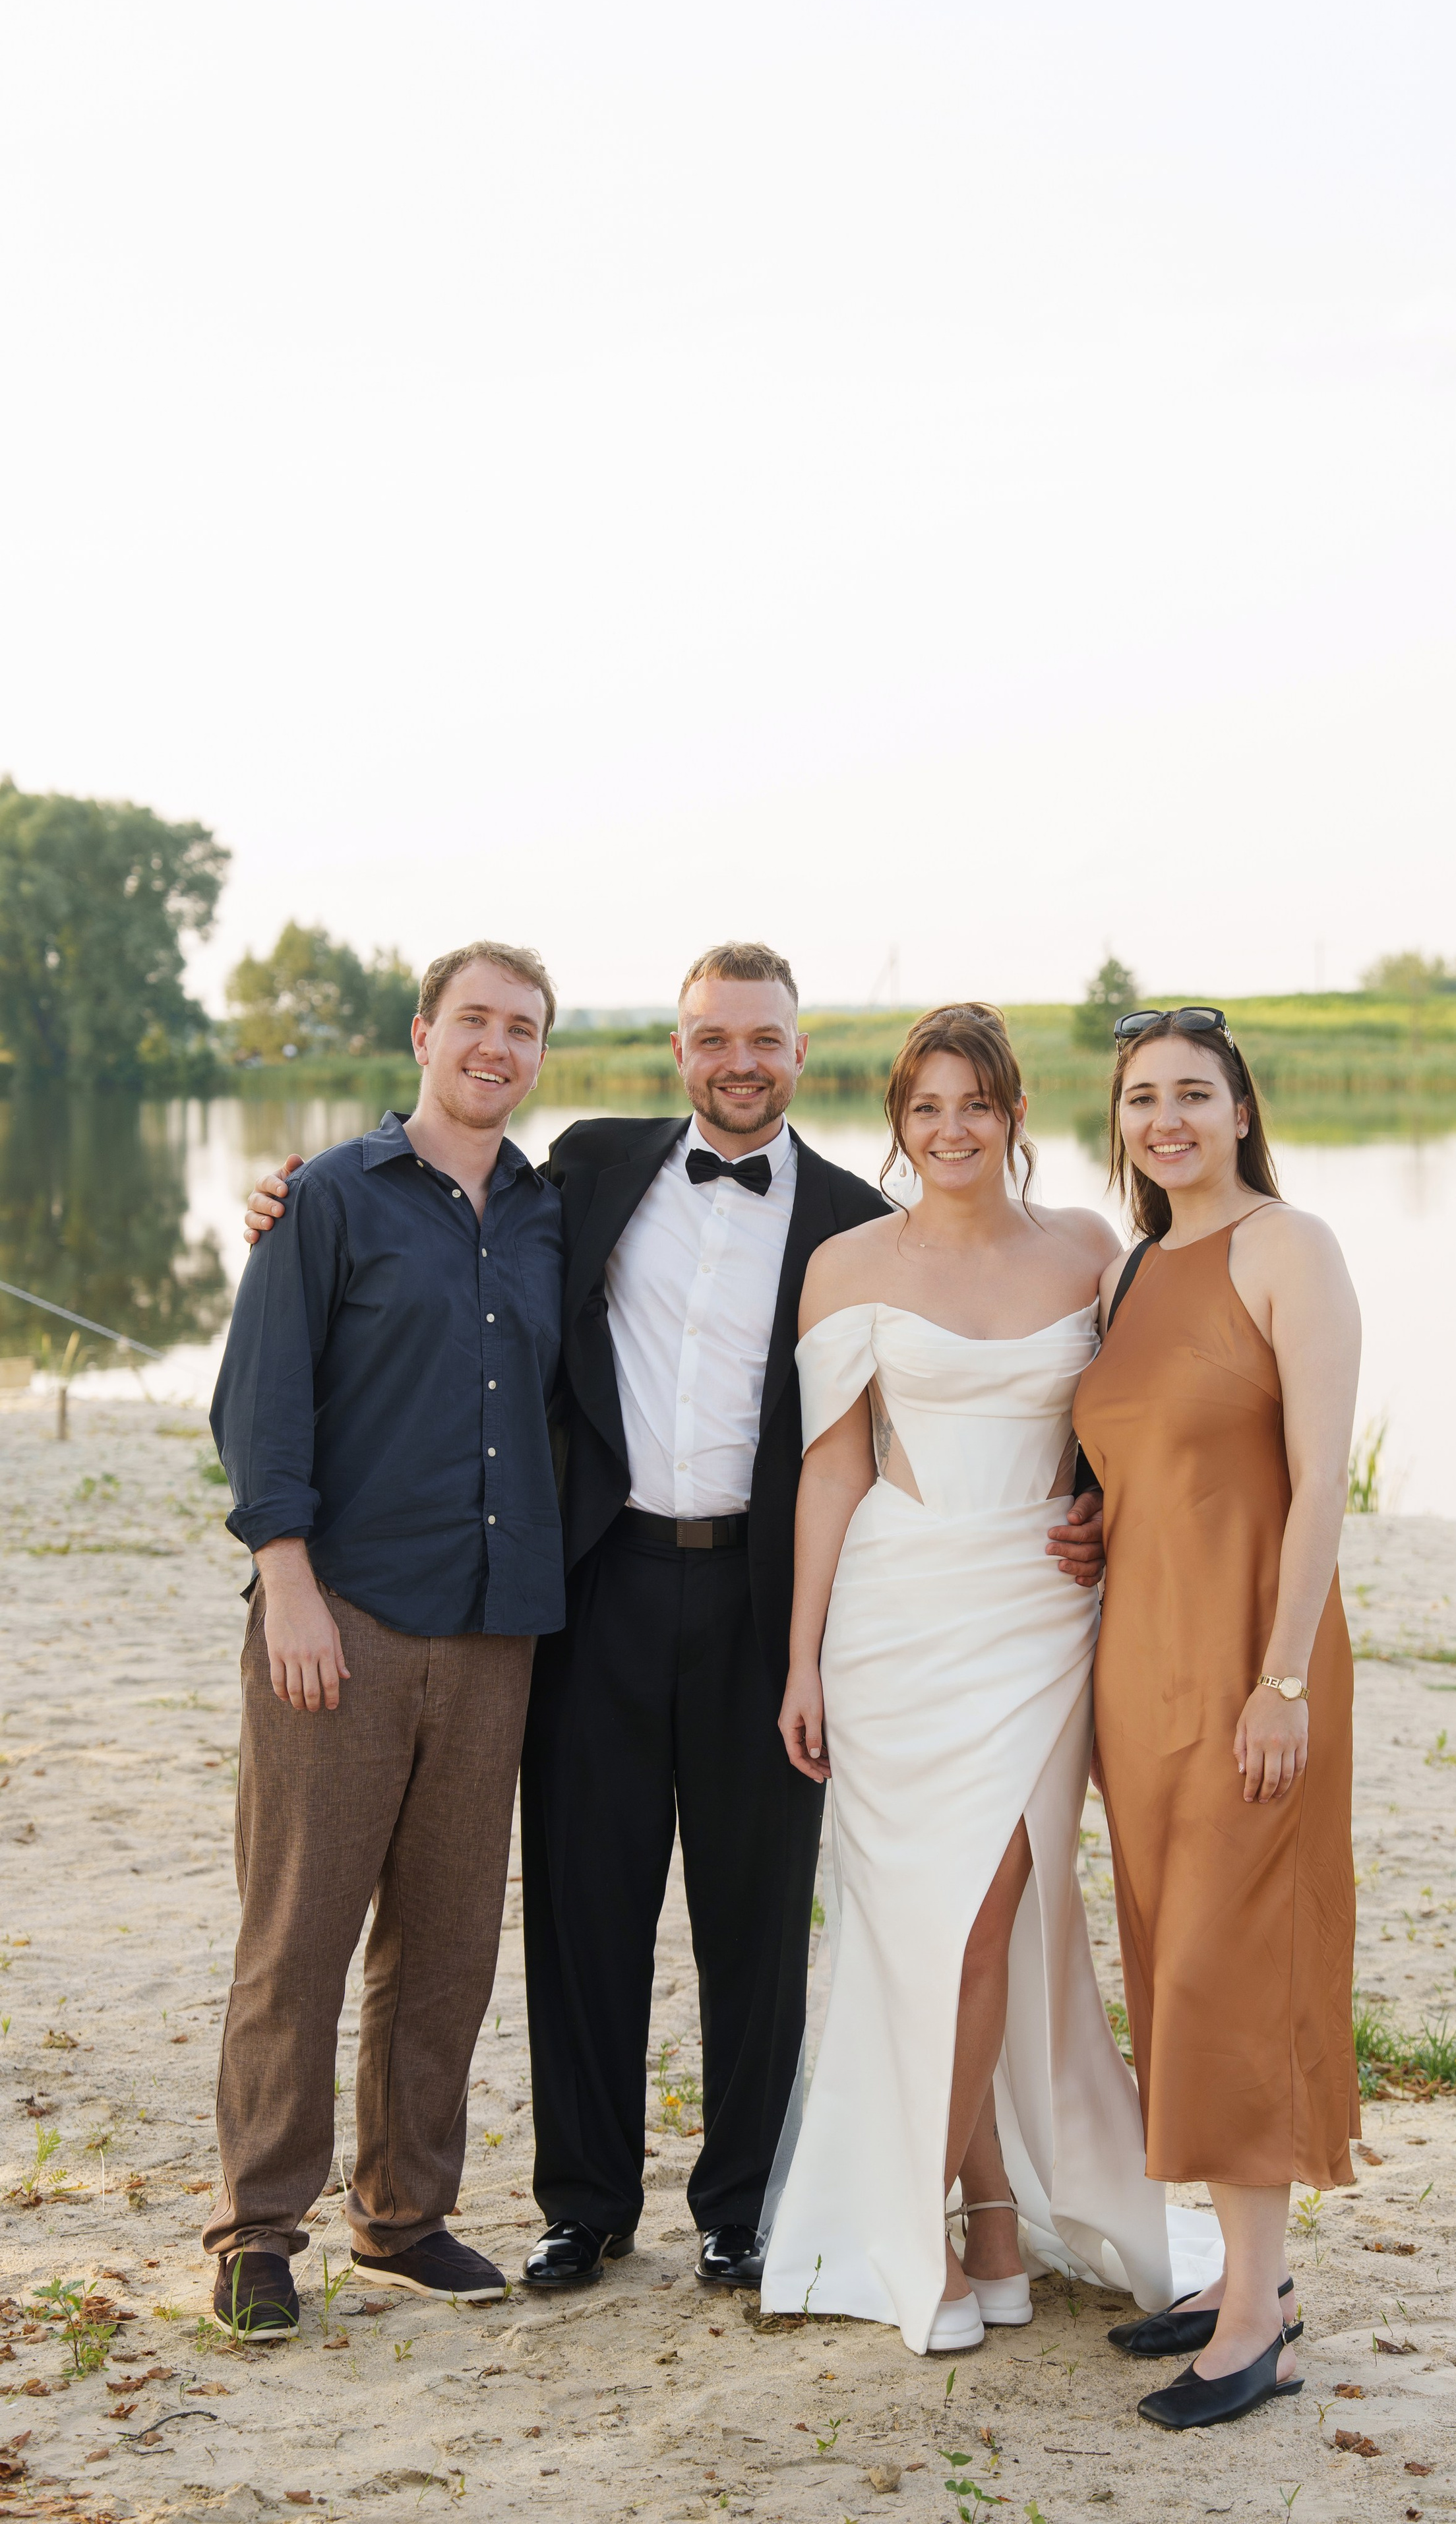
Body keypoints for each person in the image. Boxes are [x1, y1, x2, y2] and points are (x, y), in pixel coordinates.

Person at [243, 943, 1114, 2294]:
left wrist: (1089, 1498)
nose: (738, 1063)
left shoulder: (847, 1219)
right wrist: (293, 1200)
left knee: (755, 1915)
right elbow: (434, 1185)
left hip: (769, 1598)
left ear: (800, 1056)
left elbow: (996, 1384)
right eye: (713, 1038)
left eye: (763, 1039)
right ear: (678, 1049)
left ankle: (742, 2206)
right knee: (582, 1904)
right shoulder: (585, 1168)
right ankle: (582, 2205)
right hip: (591, 1585)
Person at [759, 1005, 1218, 2355]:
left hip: (1037, 1615)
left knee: (996, 1911)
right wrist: (800, 1657)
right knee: (924, 1927)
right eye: (922, 1108)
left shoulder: (1086, 1246)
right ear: (897, 1125)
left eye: (974, 1105)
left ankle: (985, 2208)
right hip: (895, 1616)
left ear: (1014, 1115)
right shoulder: (846, 1265)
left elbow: (1133, 1419)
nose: (948, 1130)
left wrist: (1095, 1504)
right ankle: (980, 2207)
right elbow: (832, 1466)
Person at [204, 942, 564, 2338]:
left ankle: (404, 2218)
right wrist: (284, 1580)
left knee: (447, 1943)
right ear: (421, 1033)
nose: (495, 1044)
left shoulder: (551, 1209)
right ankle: (256, 2230)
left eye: (521, 1028)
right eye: (472, 1018)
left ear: (540, 1054)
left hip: (495, 1626)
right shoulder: (331, 1197)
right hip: (338, 1615)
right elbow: (260, 1400)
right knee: (296, 1931)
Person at [1072, 1006, 1361, 2430]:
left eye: (1193, 1092)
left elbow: (1317, 1483)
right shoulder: (1135, 1263)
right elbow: (1142, 1461)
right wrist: (1089, 1525)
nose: (1165, 1118)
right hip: (1138, 1671)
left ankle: (1255, 2318)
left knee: (1229, 1969)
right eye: (1140, 1097)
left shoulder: (1284, 1248)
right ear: (1118, 1121)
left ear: (1240, 1108)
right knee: (1166, 1958)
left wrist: (1284, 1675)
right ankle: (1237, 2275)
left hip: (1256, 1662)